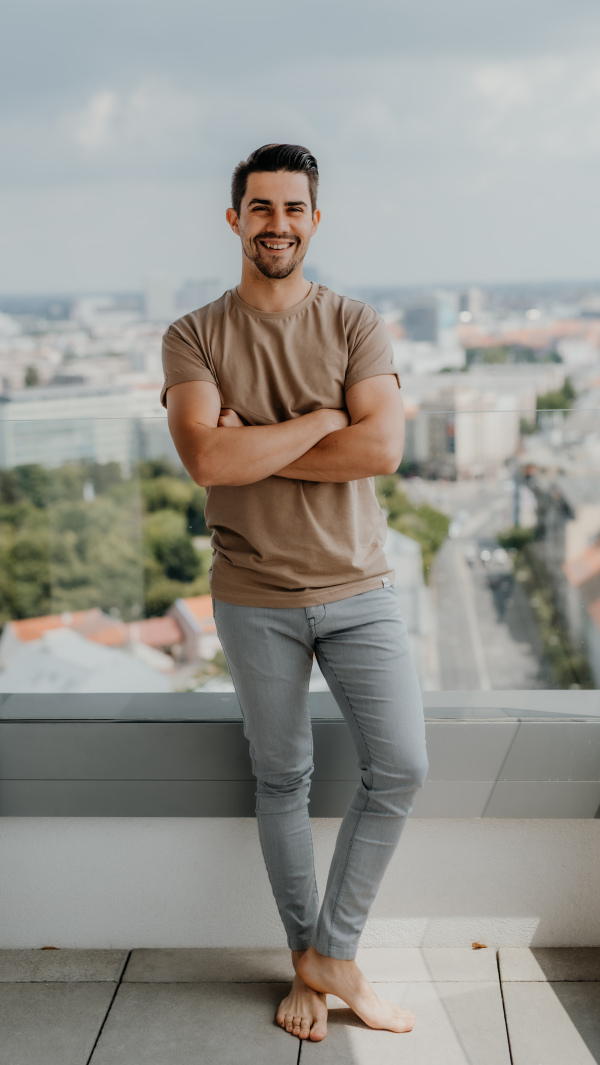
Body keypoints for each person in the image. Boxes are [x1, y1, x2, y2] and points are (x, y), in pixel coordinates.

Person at [161, 143, 428, 1043]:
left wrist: (263, 439)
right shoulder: (194, 335)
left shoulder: (356, 323)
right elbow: (206, 458)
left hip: (361, 586)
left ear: (316, 219)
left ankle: (333, 954)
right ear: (235, 219)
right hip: (252, 594)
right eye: (262, 208)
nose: (279, 223)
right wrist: (325, 417)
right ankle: (302, 961)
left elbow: (381, 451)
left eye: (294, 208)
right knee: (284, 778)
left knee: (403, 766)